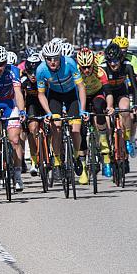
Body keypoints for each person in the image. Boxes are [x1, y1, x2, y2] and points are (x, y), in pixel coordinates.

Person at [36, 41, 86, 181]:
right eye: (49, 59)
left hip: (71, 95)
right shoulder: (40, 70)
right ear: (44, 58)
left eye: (56, 58)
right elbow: (41, 94)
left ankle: (76, 157)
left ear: (60, 57)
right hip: (55, 96)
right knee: (56, 127)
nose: (53, 62)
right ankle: (57, 162)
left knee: (75, 129)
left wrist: (82, 109)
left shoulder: (69, 63)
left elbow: (81, 87)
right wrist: (48, 112)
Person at [0, 45, 27, 191]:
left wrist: (22, 111)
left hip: (11, 105)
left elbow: (18, 92)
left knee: (15, 140)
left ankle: (17, 174)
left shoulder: (13, 71)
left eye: (2, 64)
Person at [102, 43, 137, 163]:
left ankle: (127, 138)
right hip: (107, 94)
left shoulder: (127, 66)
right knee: (107, 123)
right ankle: (108, 146)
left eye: (116, 61)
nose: (113, 64)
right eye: (110, 61)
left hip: (121, 93)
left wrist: (135, 105)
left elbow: (134, 87)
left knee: (125, 109)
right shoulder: (103, 67)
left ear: (120, 59)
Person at [76, 47, 109, 181]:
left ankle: (103, 141)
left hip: (97, 94)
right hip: (81, 97)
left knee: (98, 106)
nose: (86, 70)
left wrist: (110, 106)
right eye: (83, 67)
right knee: (82, 131)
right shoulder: (76, 72)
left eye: (88, 67)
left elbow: (108, 90)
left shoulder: (99, 71)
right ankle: (83, 168)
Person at [21, 54, 44, 176]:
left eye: (35, 72)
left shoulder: (45, 77)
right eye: (30, 72)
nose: (33, 75)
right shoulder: (24, 80)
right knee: (32, 128)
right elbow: (21, 97)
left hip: (46, 102)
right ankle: (34, 161)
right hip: (32, 104)